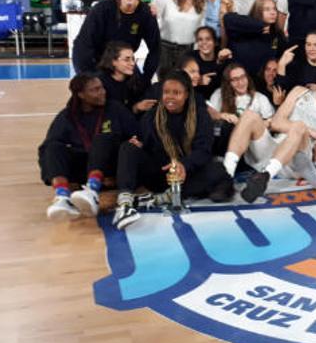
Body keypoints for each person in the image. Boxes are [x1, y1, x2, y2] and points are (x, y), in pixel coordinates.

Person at [113, 70, 234, 229]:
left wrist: (184, 165)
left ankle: (161, 198)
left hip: (186, 173)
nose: (169, 97)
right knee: (127, 148)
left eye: (176, 93)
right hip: (160, 171)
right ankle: (125, 205)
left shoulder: (200, 115)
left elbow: (203, 151)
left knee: (217, 171)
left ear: (186, 94)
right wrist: (138, 144)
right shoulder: (152, 115)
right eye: (166, 92)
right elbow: (143, 143)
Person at [221, 64, 316, 202]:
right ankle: (226, 176)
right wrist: (312, 132)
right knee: (249, 115)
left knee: (299, 126)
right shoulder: (300, 91)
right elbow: (276, 122)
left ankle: (265, 176)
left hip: (298, 161)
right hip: (275, 148)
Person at [40, 72, 139, 221]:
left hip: (109, 166)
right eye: (95, 90)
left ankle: (92, 191)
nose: (102, 92)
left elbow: (136, 134)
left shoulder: (115, 109)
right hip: (82, 168)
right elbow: (47, 150)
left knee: (102, 139)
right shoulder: (67, 116)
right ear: (81, 95)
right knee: (52, 147)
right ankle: (62, 197)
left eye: (102, 88)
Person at [72, 0, 161, 81]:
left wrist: (146, 78)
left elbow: (155, 49)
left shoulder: (146, 13)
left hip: (125, 63)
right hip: (99, 62)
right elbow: (82, 45)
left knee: (142, 92)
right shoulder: (101, 9)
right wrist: (87, 78)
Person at [152, 0, 205, 75]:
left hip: (188, 51)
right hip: (164, 50)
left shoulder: (202, 2)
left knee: (185, 85)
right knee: (164, 85)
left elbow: (201, 29)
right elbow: (152, 21)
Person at [223, 0, 287, 81]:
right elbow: (228, 18)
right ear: (258, 11)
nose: (273, 12)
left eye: (274, 9)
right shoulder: (243, 28)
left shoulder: (276, 35)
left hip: (262, 82)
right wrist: (260, 26)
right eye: (267, 9)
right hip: (238, 79)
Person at [207, 62, 274, 128]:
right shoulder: (218, 94)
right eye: (235, 79)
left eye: (243, 77)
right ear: (228, 83)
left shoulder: (260, 98)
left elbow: (271, 121)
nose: (240, 82)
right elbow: (207, 116)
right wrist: (222, 115)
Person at [97, 41, 155, 116]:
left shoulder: (135, 79)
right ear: (113, 61)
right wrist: (136, 107)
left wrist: (137, 107)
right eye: (127, 59)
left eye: (133, 59)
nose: (132, 63)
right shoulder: (100, 83)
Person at [190, 26, 231, 100]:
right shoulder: (190, 57)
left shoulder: (222, 55)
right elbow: (180, 80)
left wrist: (220, 62)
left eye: (208, 39)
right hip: (196, 99)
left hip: (220, 99)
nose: (204, 43)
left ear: (215, 42)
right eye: (200, 39)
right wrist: (198, 81)